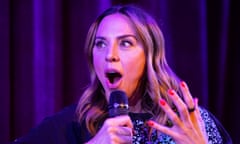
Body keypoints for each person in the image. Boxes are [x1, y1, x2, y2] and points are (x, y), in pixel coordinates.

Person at [12, 4, 232, 144]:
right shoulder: (73, 123)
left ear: (150, 55)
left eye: (126, 43)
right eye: (100, 44)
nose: (110, 55)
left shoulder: (191, 122)